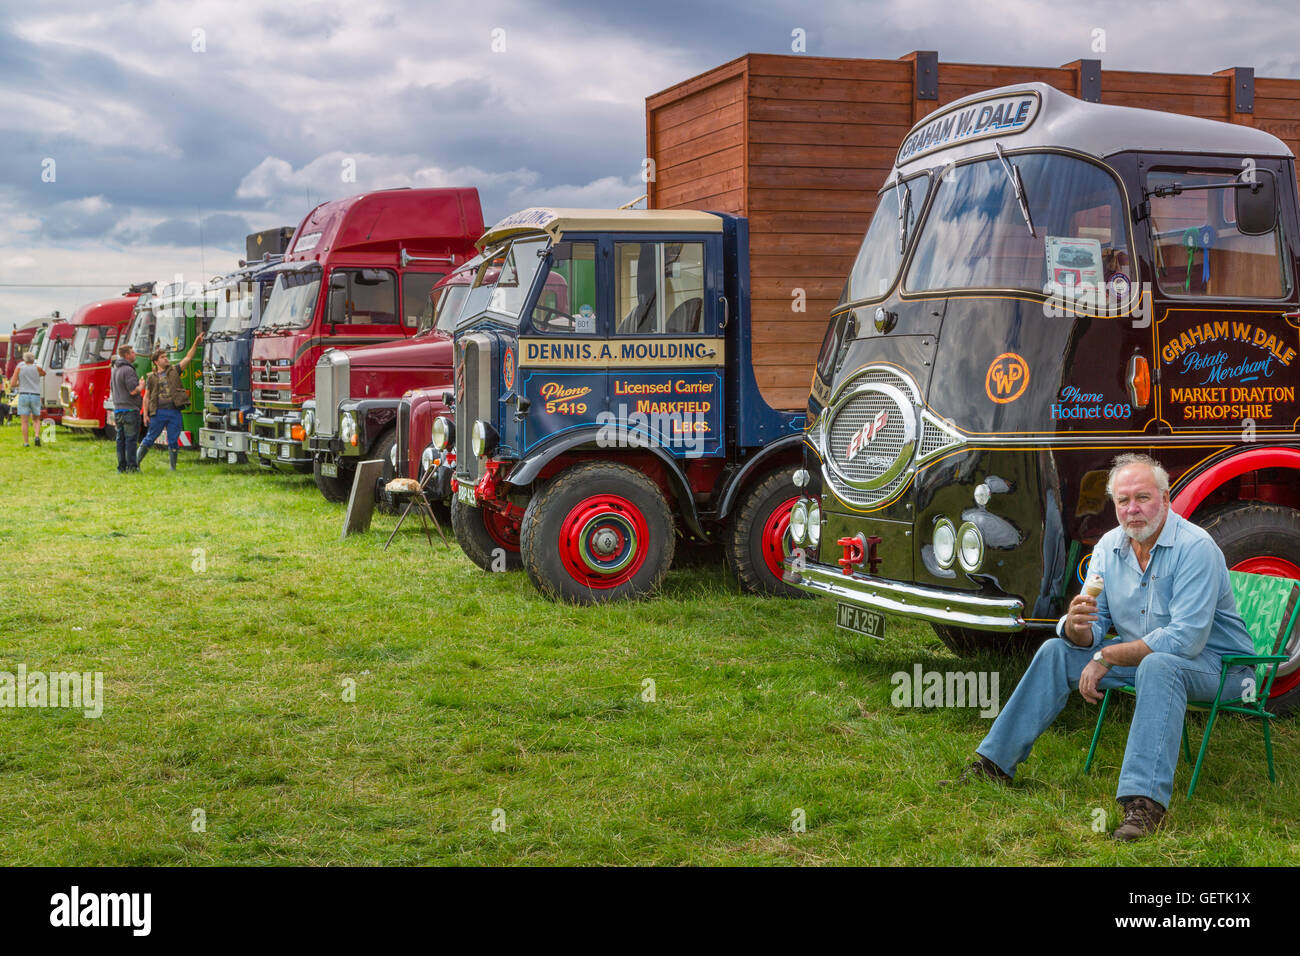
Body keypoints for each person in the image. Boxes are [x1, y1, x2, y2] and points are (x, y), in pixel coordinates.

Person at [942, 453, 1255, 841]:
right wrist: (1077, 629)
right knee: (1056, 652)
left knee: (1160, 666)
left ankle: (1144, 806)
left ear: (1166, 497)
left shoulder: (1196, 548)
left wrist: (1106, 655)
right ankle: (993, 764)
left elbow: (1185, 640)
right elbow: (1096, 627)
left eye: (1143, 498)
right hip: (1147, 660)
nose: (1132, 509)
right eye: (1123, 501)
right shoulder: (1109, 547)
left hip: (1223, 668)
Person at [137, 333, 202, 471]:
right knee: (149, 438)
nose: (166, 359)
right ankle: (135, 463)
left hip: (174, 411)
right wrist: (145, 415)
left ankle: (173, 468)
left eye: (166, 357)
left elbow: (188, 358)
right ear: (156, 361)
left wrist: (196, 343)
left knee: (173, 440)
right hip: (158, 412)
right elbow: (146, 397)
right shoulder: (151, 377)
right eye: (163, 357)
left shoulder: (174, 370)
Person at [110, 344, 144, 473]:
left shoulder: (115, 370)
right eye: (133, 352)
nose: (135, 354)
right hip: (130, 410)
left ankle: (121, 467)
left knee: (121, 440)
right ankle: (132, 467)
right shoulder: (128, 370)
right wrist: (141, 385)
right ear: (127, 355)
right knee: (131, 440)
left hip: (118, 410)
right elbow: (132, 391)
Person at [6, 351, 46, 447]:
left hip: (23, 395)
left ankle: (26, 443)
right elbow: (44, 373)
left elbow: (12, 384)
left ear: (24, 359)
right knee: (36, 419)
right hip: (35, 395)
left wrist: (20, 383)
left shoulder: (19, 369)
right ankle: (36, 436)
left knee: (24, 421)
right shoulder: (37, 368)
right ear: (33, 359)